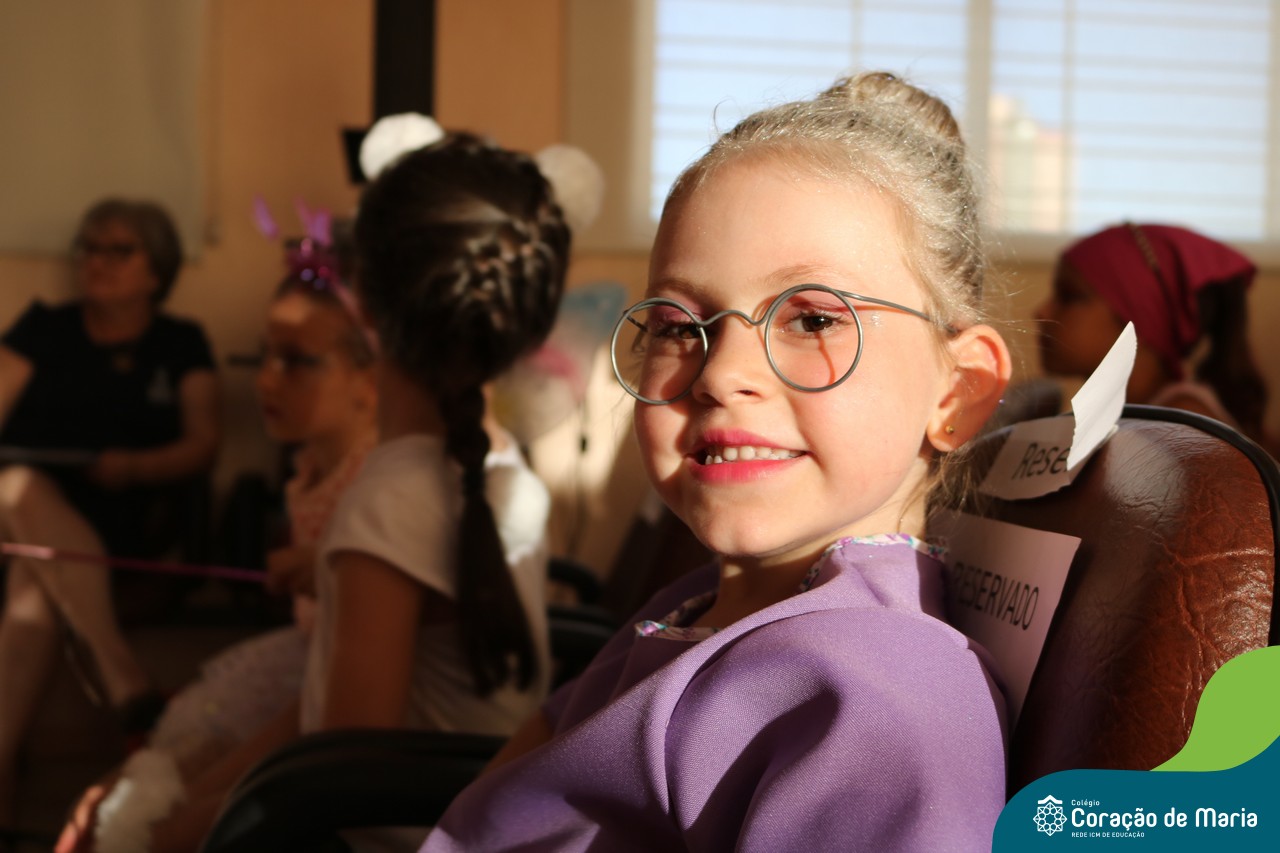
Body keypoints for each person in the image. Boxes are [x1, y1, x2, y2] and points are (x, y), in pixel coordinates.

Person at [423, 71, 1013, 852]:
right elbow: (529, 766)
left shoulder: (882, 709)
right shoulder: (707, 600)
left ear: (959, 392)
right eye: (678, 325)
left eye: (811, 318)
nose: (720, 372)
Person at [59, 129, 570, 852]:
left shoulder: (388, 502)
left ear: (366, 312)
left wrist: (175, 836)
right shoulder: (496, 467)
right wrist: (176, 807)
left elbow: (337, 783)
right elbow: (321, 709)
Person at [0, 198, 219, 826]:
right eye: (89, 248)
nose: (97, 262)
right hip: (31, 510)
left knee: (33, 584)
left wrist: (134, 468)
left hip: (133, 526)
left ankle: (2, 770)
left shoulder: (180, 342)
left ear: (157, 269)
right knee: (19, 488)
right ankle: (125, 681)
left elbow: (203, 443)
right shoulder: (43, 327)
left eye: (119, 250)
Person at [1036, 222, 1273, 448]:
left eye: (1069, 296)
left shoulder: (1180, 423)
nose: (1041, 312)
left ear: (1138, 318)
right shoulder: (1124, 415)